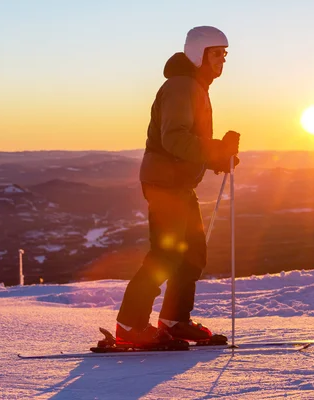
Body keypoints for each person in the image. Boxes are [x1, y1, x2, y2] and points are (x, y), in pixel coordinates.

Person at [115, 26, 240, 348]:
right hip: (164, 183)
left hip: (178, 183)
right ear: (198, 53)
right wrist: (214, 150)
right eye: (216, 54)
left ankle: (174, 320)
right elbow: (174, 138)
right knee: (167, 254)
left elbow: (185, 141)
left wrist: (217, 159)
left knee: (192, 254)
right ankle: (130, 327)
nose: (222, 61)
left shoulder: (194, 85)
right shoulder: (182, 86)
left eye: (224, 54)